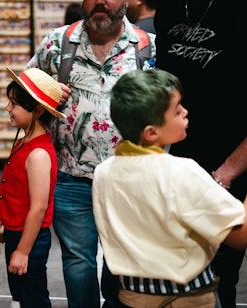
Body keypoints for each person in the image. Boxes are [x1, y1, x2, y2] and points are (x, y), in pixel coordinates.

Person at [26, 0, 156, 306]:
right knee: (77, 263)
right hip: (70, 177)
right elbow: (24, 96)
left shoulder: (147, 48)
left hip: (128, 181)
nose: (100, 1)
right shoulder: (57, 42)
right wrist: (47, 98)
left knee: (120, 263)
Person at [93, 68, 247, 307]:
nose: (186, 112)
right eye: (177, 111)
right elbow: (240, 237)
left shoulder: (103, 172)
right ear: (151, 132)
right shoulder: (182, 171)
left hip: (131, 298)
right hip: (188, 299)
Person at [154, 1, 247, 306]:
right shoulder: (169, 10)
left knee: (221, 275)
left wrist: (227, 173)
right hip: (182, 164)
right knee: (183, 272)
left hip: (234, 165)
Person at [0, 67, 66, 308]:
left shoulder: (38, 154)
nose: (8, 109)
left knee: (33, 296)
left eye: (13, 104)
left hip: (31, 240)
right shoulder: (27, 141)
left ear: (37, 110)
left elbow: (38, 208)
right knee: (21, 292)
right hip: (19, 232)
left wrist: (23, 250)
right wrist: (8, 225)